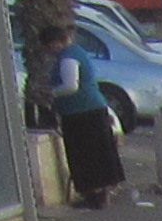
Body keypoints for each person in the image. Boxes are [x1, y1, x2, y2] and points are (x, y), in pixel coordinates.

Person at [47, 33, 124, 209]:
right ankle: (99, 194)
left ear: (56, 42)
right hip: (90, 110)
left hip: (80, 112)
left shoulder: (68, 58)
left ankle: (93, 195)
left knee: (84, 155)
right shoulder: (77, 52)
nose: (50, 51)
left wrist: (51, 93)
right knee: (97, 153)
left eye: (50, 46)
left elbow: (71, 85)